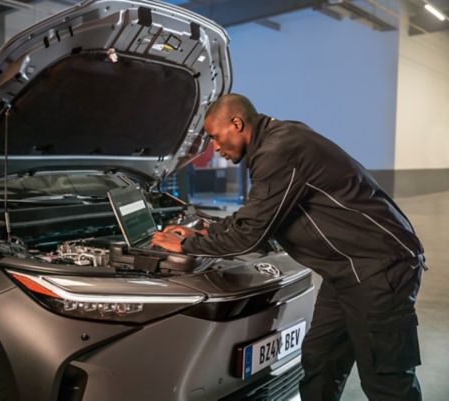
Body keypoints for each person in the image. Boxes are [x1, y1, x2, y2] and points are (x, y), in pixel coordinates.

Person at [152, 93, 425, 401]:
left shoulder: (278, 150)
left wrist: (188, 244)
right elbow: (261, 217)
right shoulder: (276, 141)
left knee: (385, 378)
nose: (215, 147)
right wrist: (208, 229)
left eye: (216, 137)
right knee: (321, 363)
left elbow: (250, 234)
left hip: (380, 268)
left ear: (237, 123)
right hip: (345, 271)